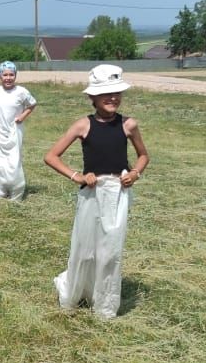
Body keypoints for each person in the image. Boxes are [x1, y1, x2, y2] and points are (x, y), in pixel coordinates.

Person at [43, 64, 150, 320]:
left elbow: (143, 156)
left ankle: (104, 304)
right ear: (93, 97)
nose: (112, 98)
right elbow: (51, 156)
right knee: (86, 247)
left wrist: (135, 173)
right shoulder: (83, 126)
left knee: (110, 250)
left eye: (117, 93)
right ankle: (76, 292)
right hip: (92, 194)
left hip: (118, 196)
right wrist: (77, 176)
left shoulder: (128, 125)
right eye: (106, 93)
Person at [0, 61, 37, 200]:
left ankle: (16, 194)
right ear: (0, 76)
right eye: (5, 75)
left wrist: (22, 116)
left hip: (14, 130)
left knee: (14, 161)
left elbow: (32, 104)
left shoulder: (21, 91)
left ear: (15, 76)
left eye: (11, 75)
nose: (8, 78)